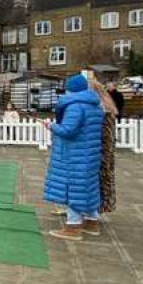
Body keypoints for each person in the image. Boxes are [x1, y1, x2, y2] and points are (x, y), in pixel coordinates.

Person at [43, 74, 104, 240]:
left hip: (73, 155)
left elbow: (68, 131)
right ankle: (92, 222)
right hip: (89, 153)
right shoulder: (96, 106)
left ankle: (73, 226)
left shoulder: (75, 107)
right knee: (88, 187)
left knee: (72, 189)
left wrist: (51, 126)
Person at [88, 75, 118, 214]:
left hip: (98, 150)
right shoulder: (108, 108)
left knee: (98, 180)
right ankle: (97, 209)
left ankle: (94, 211)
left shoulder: (100, 110)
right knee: (104, 178)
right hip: (106, 151)